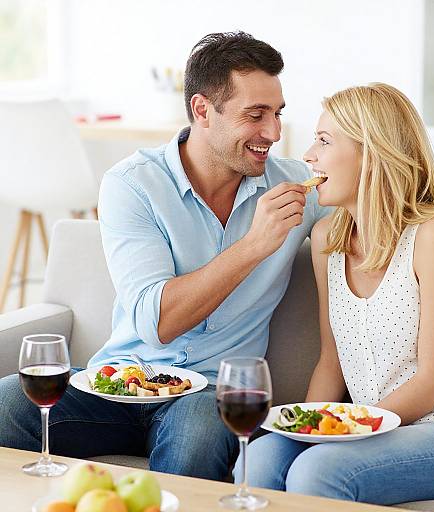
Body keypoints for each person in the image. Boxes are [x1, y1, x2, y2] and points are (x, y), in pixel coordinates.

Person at [0, 32, 327, 480]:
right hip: (120, 383)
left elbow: (387, 202)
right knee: (6, 403)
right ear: (202, 110)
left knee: (196, 442)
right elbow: (158, 324)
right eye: (256, 115)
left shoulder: (294, 188)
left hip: (211, 394)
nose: (273, 133)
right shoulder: (133, 185)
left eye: (277, 114)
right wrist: (254, 245)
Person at [237, 83, 434, 505]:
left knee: (317, 471)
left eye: (324, 141)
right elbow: (332, 362)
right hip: (369, 426)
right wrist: (307, 427)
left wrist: (344, 431)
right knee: (258, 460)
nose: (308, 154)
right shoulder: (327, 238)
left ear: (372, 153)